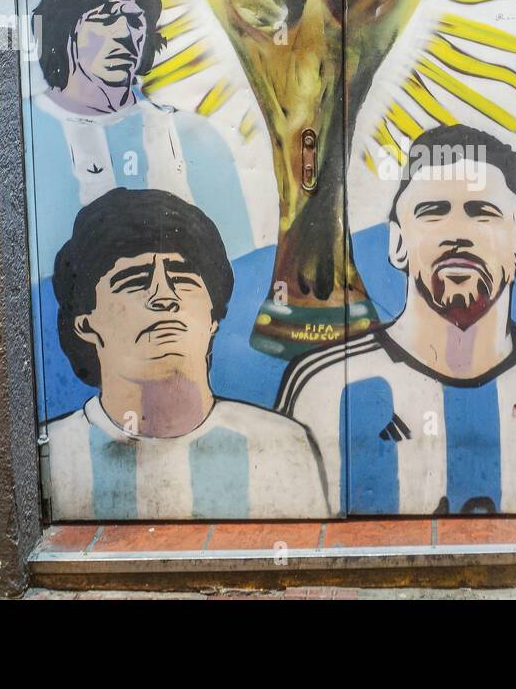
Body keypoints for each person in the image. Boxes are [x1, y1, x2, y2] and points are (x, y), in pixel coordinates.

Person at [276, 126, 516, 515]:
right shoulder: (325, 386)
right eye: (433, 213)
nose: (457, 235)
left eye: (482, 213)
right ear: (397, 243)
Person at [46, 188, 330, 520]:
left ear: (212, 317)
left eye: (182, 278)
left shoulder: (281, 444)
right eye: (134, 281)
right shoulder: (56, 452)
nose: (164, 297)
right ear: (85, 324)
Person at [27, 0, 253, 273]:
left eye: (135, 21)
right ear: (66, 31)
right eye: (104, 19)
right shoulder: (31, 128)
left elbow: (238, 266)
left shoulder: (192, 137)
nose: (124, 35)